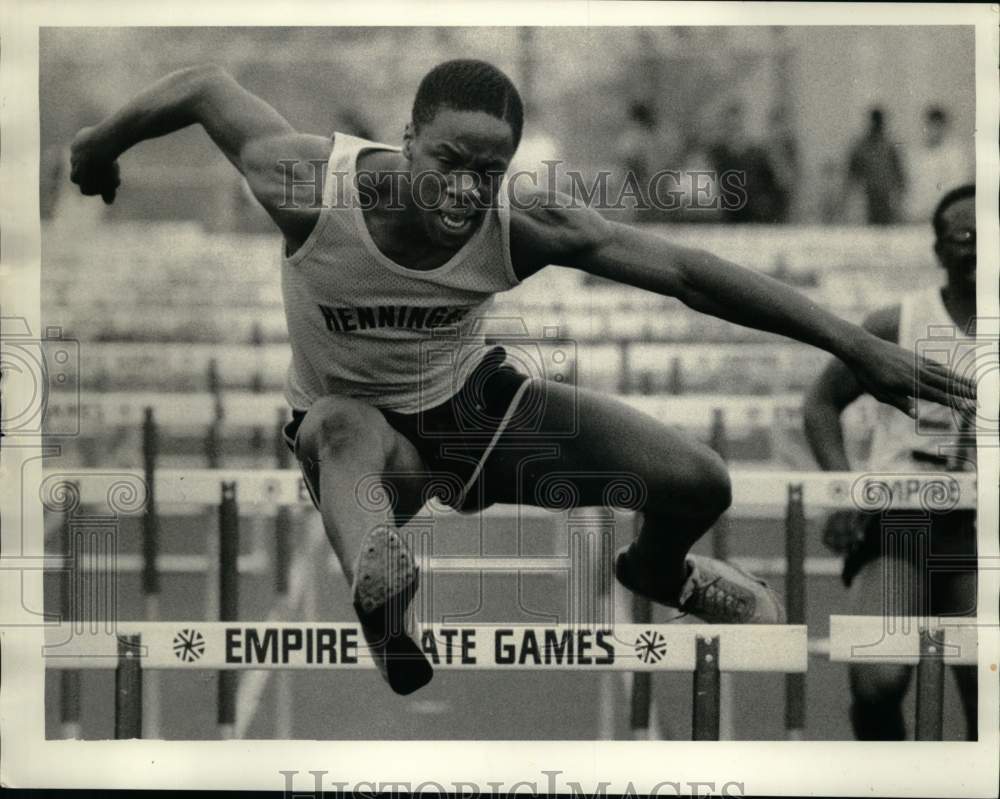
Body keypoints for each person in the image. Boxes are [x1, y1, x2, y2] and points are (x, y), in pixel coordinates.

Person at [69, 60, 975, 695]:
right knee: (340, 424)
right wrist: (96, 148)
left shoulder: (523, 221)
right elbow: (204, 87)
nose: (467, 191)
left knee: (700, 481)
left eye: (489, 171)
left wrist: (855, 346)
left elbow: (689, 273)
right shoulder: (310, 184)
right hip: (361, 447)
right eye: (448, 163)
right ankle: (383, 599)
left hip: (477, 410)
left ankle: (660, 569)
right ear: (406, 140)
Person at [803, 184, 978, 740]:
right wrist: (844, 488)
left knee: (986, 686)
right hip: (903, 520)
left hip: (984, 530)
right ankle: (888, 769)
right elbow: (821, 403)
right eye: (964, 236)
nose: (979, 247)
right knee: (876, 678)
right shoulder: (897, 323)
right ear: (939, 250)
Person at [707, 102, 785, 224]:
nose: (733, 133)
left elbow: (780, 182)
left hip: (755, 217)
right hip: (727, 216)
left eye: (736, 128)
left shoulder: (757, 154)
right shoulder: (716, 154)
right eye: (729, 128)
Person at [904, 106, 974, 224]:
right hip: (921, 216)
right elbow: (914, 187)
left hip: (947, 214)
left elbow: (958, 186)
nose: (933, 130)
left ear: (944, 127)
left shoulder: (955, 154)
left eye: (937, 126)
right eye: (930, 126)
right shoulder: (919, 155)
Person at [844, 107, 906, 225]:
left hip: (886, 198)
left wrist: (898, 200)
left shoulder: (889, 147)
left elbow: (899, 176)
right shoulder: (861, 147)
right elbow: (851, 175)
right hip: (867, 198)